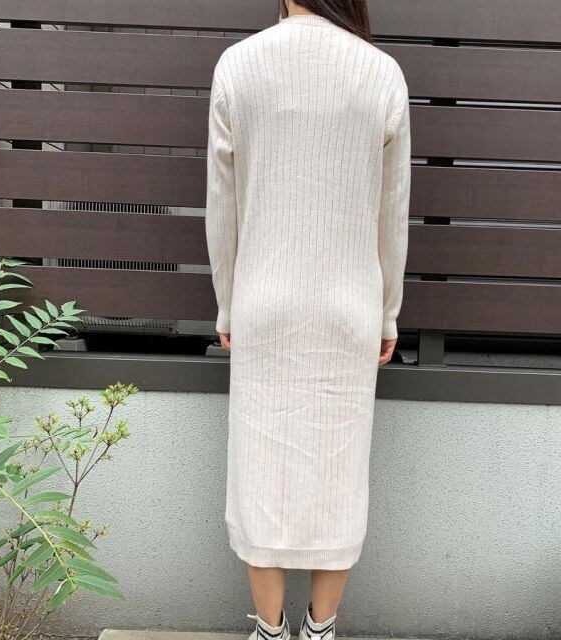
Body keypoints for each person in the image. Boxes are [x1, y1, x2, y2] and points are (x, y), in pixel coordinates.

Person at [205, 1, 411, 639]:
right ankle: (321, 632)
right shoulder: (381, 73)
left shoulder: (238, 66)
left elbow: (222, 204)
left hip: (263, 303)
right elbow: (392, 211)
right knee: (338, 475)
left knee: (261, 474)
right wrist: (387, 313)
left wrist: (227, 301)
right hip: (348, 307)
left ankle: (269, 633)